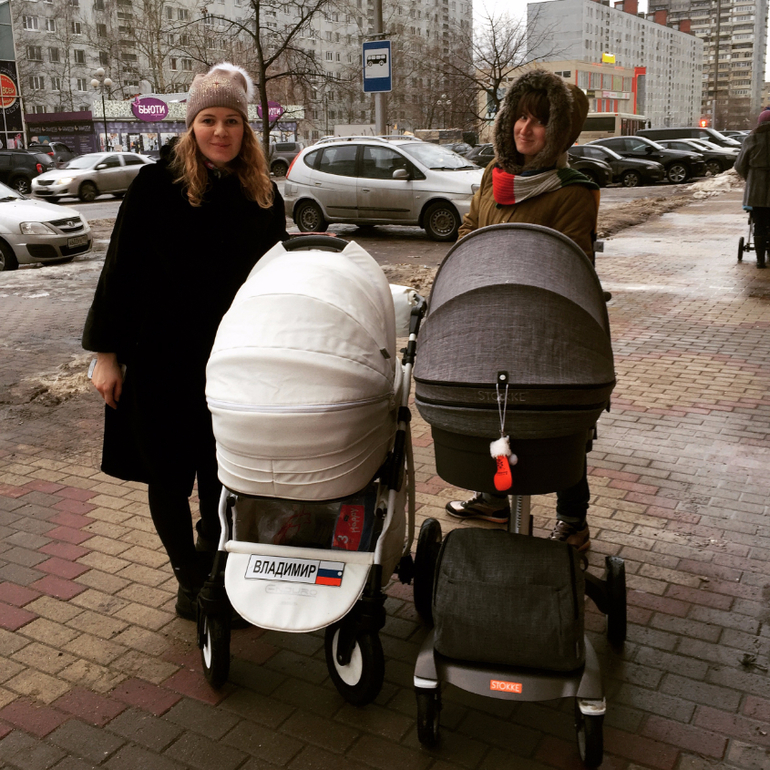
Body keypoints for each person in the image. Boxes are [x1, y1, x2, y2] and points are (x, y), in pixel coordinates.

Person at [83, 62, 289, 618]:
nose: (220, 131)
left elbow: (274, 278)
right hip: (160, 359)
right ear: (191, 126)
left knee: (225, 475)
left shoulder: (262, 195)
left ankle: (215, 566)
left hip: (233, 360)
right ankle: (187, 576)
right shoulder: (156, 187)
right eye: (208, 120)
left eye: (232, 121)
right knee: (168, 475)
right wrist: (106, 355)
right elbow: (119, 272)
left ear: (246, 130)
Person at [445, 68, 600, 552]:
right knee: (491, 412)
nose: (524, 129)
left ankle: (573, 519)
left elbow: (570, 260)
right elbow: (469, 229)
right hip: (487, 318)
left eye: (539, 121)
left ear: (559, 132)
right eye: (520, 117)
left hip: (543, 325)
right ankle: (493, 498)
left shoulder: (573, 190)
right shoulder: (493, 177)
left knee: (557, 424)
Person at [735, 109, 770, 269]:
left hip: (757, 188)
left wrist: (750, 177)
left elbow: (740, 165)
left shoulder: (751, 139)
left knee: (759, 224)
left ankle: (760, 260)